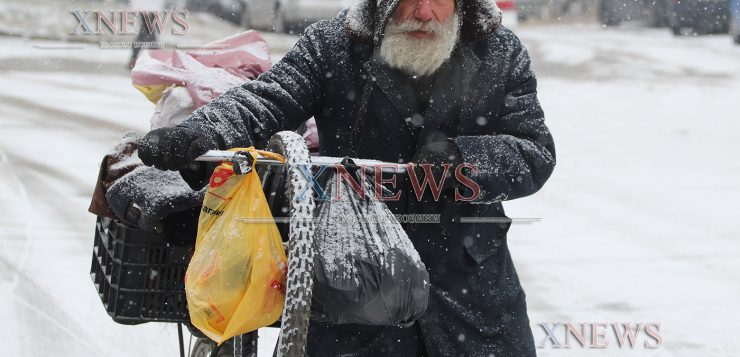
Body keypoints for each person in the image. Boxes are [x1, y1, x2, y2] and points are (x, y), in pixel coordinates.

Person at [138, 0, 556, 354]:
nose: (424, 12)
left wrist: (463, 158)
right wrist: (201, 132)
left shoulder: (499, 53)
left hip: (470, 285)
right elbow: (265, 99)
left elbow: (533, 150)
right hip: (354, 278)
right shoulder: (335, 44)